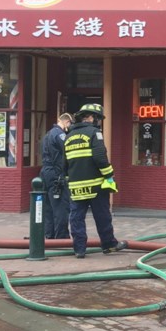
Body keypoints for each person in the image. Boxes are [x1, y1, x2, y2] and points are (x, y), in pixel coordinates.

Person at [64, 103, 128, 259]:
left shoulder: (68, 137)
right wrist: (109, 175)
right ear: (90, 117)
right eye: (98, 118)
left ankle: (79, 249)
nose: (98, 121)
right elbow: (100, 157)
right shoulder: (94, 133)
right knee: (102, 215)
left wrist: (69, 180)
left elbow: (64, 163)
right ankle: (109, 245)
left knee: (76, 217)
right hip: (95, 185)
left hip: (76, 186)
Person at [40, 113, 73, 239]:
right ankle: (61, 237)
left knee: (48, 207)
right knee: (61, 208)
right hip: (56, 175)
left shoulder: (48, 134)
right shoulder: (60, 135)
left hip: (45, 173)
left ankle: (49, 234)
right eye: (69, 124)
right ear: (66, 122)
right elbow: (67, 152)